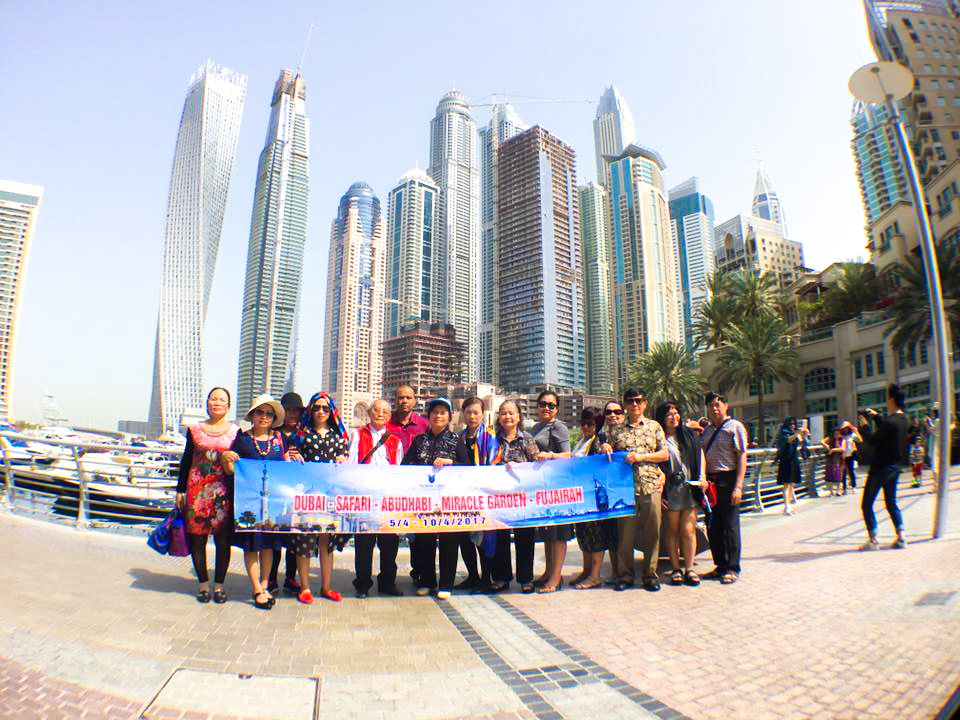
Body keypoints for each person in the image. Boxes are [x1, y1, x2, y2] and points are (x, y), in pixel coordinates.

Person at [221, 394, 292, 610]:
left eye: (269, 413)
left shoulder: (280, 439)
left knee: (269, 546)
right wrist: (226, 458)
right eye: (260, 412)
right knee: (251, 546)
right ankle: (256, 589)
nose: (264, 416)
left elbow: (287, 466)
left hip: (273, 503)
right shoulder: (242, 440)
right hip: (249, 503)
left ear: (274, 418)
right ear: (252, 415)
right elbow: (231, 471)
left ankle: (265, 584)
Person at [599, 389, 669, 592]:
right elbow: (606, 452)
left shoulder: (654, 426)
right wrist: (605, 447)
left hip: (651, 486)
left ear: (645, 403)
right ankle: (626, 575)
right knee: (625, 535)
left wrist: (642, 457)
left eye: (638, 401)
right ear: (625, 405)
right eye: (630, 401)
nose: (634, 404)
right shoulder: (616, 430)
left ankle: (650, 575)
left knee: (652, 532)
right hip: (624, 490)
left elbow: (664, 454)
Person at [176, 387, 239, 604]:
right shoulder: (194, 430)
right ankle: (203, 584)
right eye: (214, 399)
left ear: (228, 405)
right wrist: (180, 490)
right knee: (197, 539)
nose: (217, 403)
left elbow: (239, 463)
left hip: (223, 493)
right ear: (207, 402)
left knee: (223, 541)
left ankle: (219, 586)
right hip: (197, 492)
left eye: (222, 399)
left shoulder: (236, 432)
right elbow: (186, 460)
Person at [289, 392, 347, 604]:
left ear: (331, 411)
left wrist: (343, 458)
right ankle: (305, 587)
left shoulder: (338, 436)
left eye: (325, 408)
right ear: (310, 410)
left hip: (330, 495)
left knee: (326, 542)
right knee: (305, 539)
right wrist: (292, 455)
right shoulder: (301, 434)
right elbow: (289, 456)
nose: (321, 412)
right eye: (316, 408)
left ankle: (326, 586)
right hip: (307, 495)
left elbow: (345, 459)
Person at [402, 397, 459, 598]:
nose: (438, 416)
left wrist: (451, 463)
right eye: (435, 412)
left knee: (448, 543)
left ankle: (446, 585)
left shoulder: (456, 440)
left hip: (449, 502)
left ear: (449, 416)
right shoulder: (420, 440)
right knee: (424, 542)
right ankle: (427, 581)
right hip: (424, 501)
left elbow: (468, 468)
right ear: (429, 416)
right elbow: (404, 466)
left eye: (443, 412)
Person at [348, 398, 405, 598]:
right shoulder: (357, 435)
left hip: (387, 499)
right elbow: (351, 464)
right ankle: (362, 584)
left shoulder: (395, 441)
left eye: (384, 412)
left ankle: (387, 583)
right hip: (364, 498)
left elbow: (398, 470)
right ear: (370, 413)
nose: (380, 414)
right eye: (376, 410)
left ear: (389, 417)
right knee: (364, 544)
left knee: (389, 544)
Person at [654, 401, 707, 587]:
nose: (673, 417)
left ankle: (689, 568)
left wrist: (702, 477)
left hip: (690, 488)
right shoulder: (658, 438)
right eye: (669, 414)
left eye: (676, 413)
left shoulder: (688, 435)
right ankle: (676, 568)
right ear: (662, 418)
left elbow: (700, 454)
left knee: (688, 530)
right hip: (670, 490)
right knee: (672, 531)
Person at [491, 399, 541, 593]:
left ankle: (526, 578)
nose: (508, 416)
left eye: (511, 413)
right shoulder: (492, 439)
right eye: (504, 413)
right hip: (499, 497)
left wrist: (519, 467)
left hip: (522, 498)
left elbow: (537, 465)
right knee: (500, 538)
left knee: (525, 537)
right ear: (499, 417)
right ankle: (501, 577)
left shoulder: (527, 438)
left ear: (519, 417)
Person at [701, 391, 748, 585]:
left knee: (730, 526)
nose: (714, 408)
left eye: (717, 404)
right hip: (710, 483)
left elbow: (742, 456)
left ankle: (732, 567)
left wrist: (738, 487)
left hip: (728, 480)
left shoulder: (735, 426)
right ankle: (720, 565)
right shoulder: (707, 431)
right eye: (710, 405)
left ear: (726, 406)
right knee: (713, 526)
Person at [857, 384, 911, 550]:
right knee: (891, 502)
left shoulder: (890, 422)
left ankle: (873, 540)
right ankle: (901, 537)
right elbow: (889, 430)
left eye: (888, 398)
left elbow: (873, 441)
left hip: (880, 468)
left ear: (892, 400)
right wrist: (877, 417)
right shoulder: (904, 420)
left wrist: (864, 426)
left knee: (867, 504)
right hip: (895, 467)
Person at [530, 390, 573, 594]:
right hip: (543, 487)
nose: (546, 408)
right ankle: (548, 572)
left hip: (558, 486)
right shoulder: (536, 427)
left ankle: (556, 578)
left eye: (551, 405)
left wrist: (550, 455)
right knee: (548, 533)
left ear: (557, 409)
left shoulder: (559, 427)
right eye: (543, 404)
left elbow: (568, 455)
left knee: (558, 534)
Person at [387, 385, 428, 584]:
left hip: (417, 488)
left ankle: (419, 573)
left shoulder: (423, 425)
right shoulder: (386, 424)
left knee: (418, 533)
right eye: (400, 397)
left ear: (414, 401)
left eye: (408, 397)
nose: (404, 401)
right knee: (389, 535)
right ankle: (387, 579)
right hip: (391, 487)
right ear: (395, 400)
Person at [569, 407, 613, 590]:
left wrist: (605, 445)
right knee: (584, 535)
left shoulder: (598, 441)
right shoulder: (582, 441)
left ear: (598, 425)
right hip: (581, 496)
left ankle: (595, 576)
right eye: (583, 423)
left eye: (590, 424)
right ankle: (586, 571)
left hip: (594, 498)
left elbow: (606, 454)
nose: (586, 427)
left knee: (596, 537)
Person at [267, 392, 305, 596]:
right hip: (276, 491)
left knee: (295, 539)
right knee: (275, 538)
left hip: (298, 492)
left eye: (296, 411)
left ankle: (291, 578)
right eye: (288, 410)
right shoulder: (273, 433)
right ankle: (271, 577)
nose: (292, 414)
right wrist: (284, 456)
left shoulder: (304, 434)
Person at [451, 396, 491, 591]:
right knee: (464, 539)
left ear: (483, 414)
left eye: (476, 412)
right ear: (463, 414)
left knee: (483, 540)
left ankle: (486, 579)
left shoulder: (491, 438)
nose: (472, 416)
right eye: (468, 412)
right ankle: (472, 576)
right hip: (462, 496)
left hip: (483, 495)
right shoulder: (457, 438)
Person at [776, 417, 805, 515]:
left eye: (794, 423)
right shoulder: (784, 432)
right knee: (786, 484)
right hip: (786, 460)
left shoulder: (794, 432)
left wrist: (804, 435)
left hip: (793, 459)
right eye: (790, 423)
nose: (793, 425)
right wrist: (797, 433)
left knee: (792, 483)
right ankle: (786, 507)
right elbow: (788, 440)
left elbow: (801, 444)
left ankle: (789, 505)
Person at [822, 428, 846, 496]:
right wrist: (826, 445)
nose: (836, 435)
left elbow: (843, 449)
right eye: (835, 434)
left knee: (838, 474)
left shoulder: (843, 440)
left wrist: (833, 450)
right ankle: (831, 491)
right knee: (830, 474)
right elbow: (822, 441)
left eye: (838, 434)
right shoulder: (830, 439)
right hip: (831, 458)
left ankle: (838, 490)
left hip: (839, 459)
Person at [841, 421, 862, 490]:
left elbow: (860, 440)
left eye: (847, 428)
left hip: (851, 454)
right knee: (843, 471)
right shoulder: (841, 436)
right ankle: (844, 487)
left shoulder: (852, 435)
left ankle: (853, 486)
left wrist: (856, 432)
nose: (845, 429)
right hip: (843, 455)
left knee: (851, 470)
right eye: (844, 428)